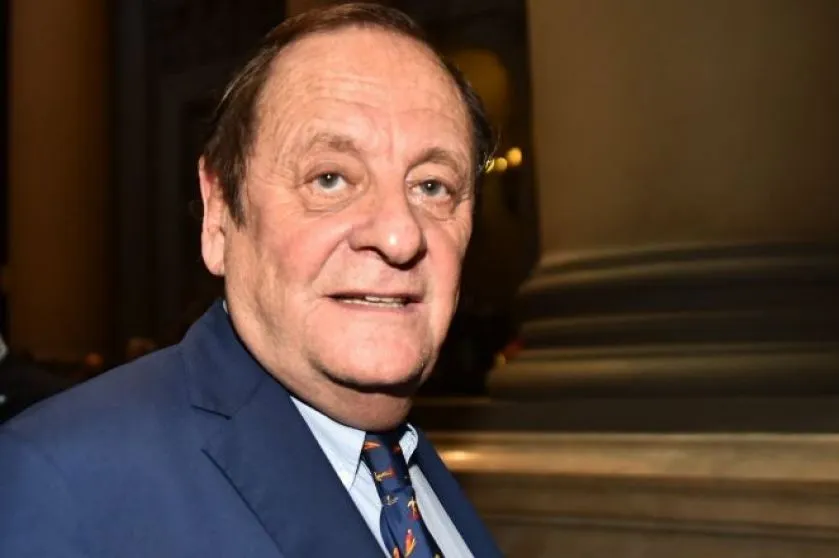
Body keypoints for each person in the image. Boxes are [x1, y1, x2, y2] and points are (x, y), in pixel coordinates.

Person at [0, 4, 501, 557]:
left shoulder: (407, 469)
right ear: (219, 214)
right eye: (330, 178)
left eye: (432, 186)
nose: (400, 236)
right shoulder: (64, 483)